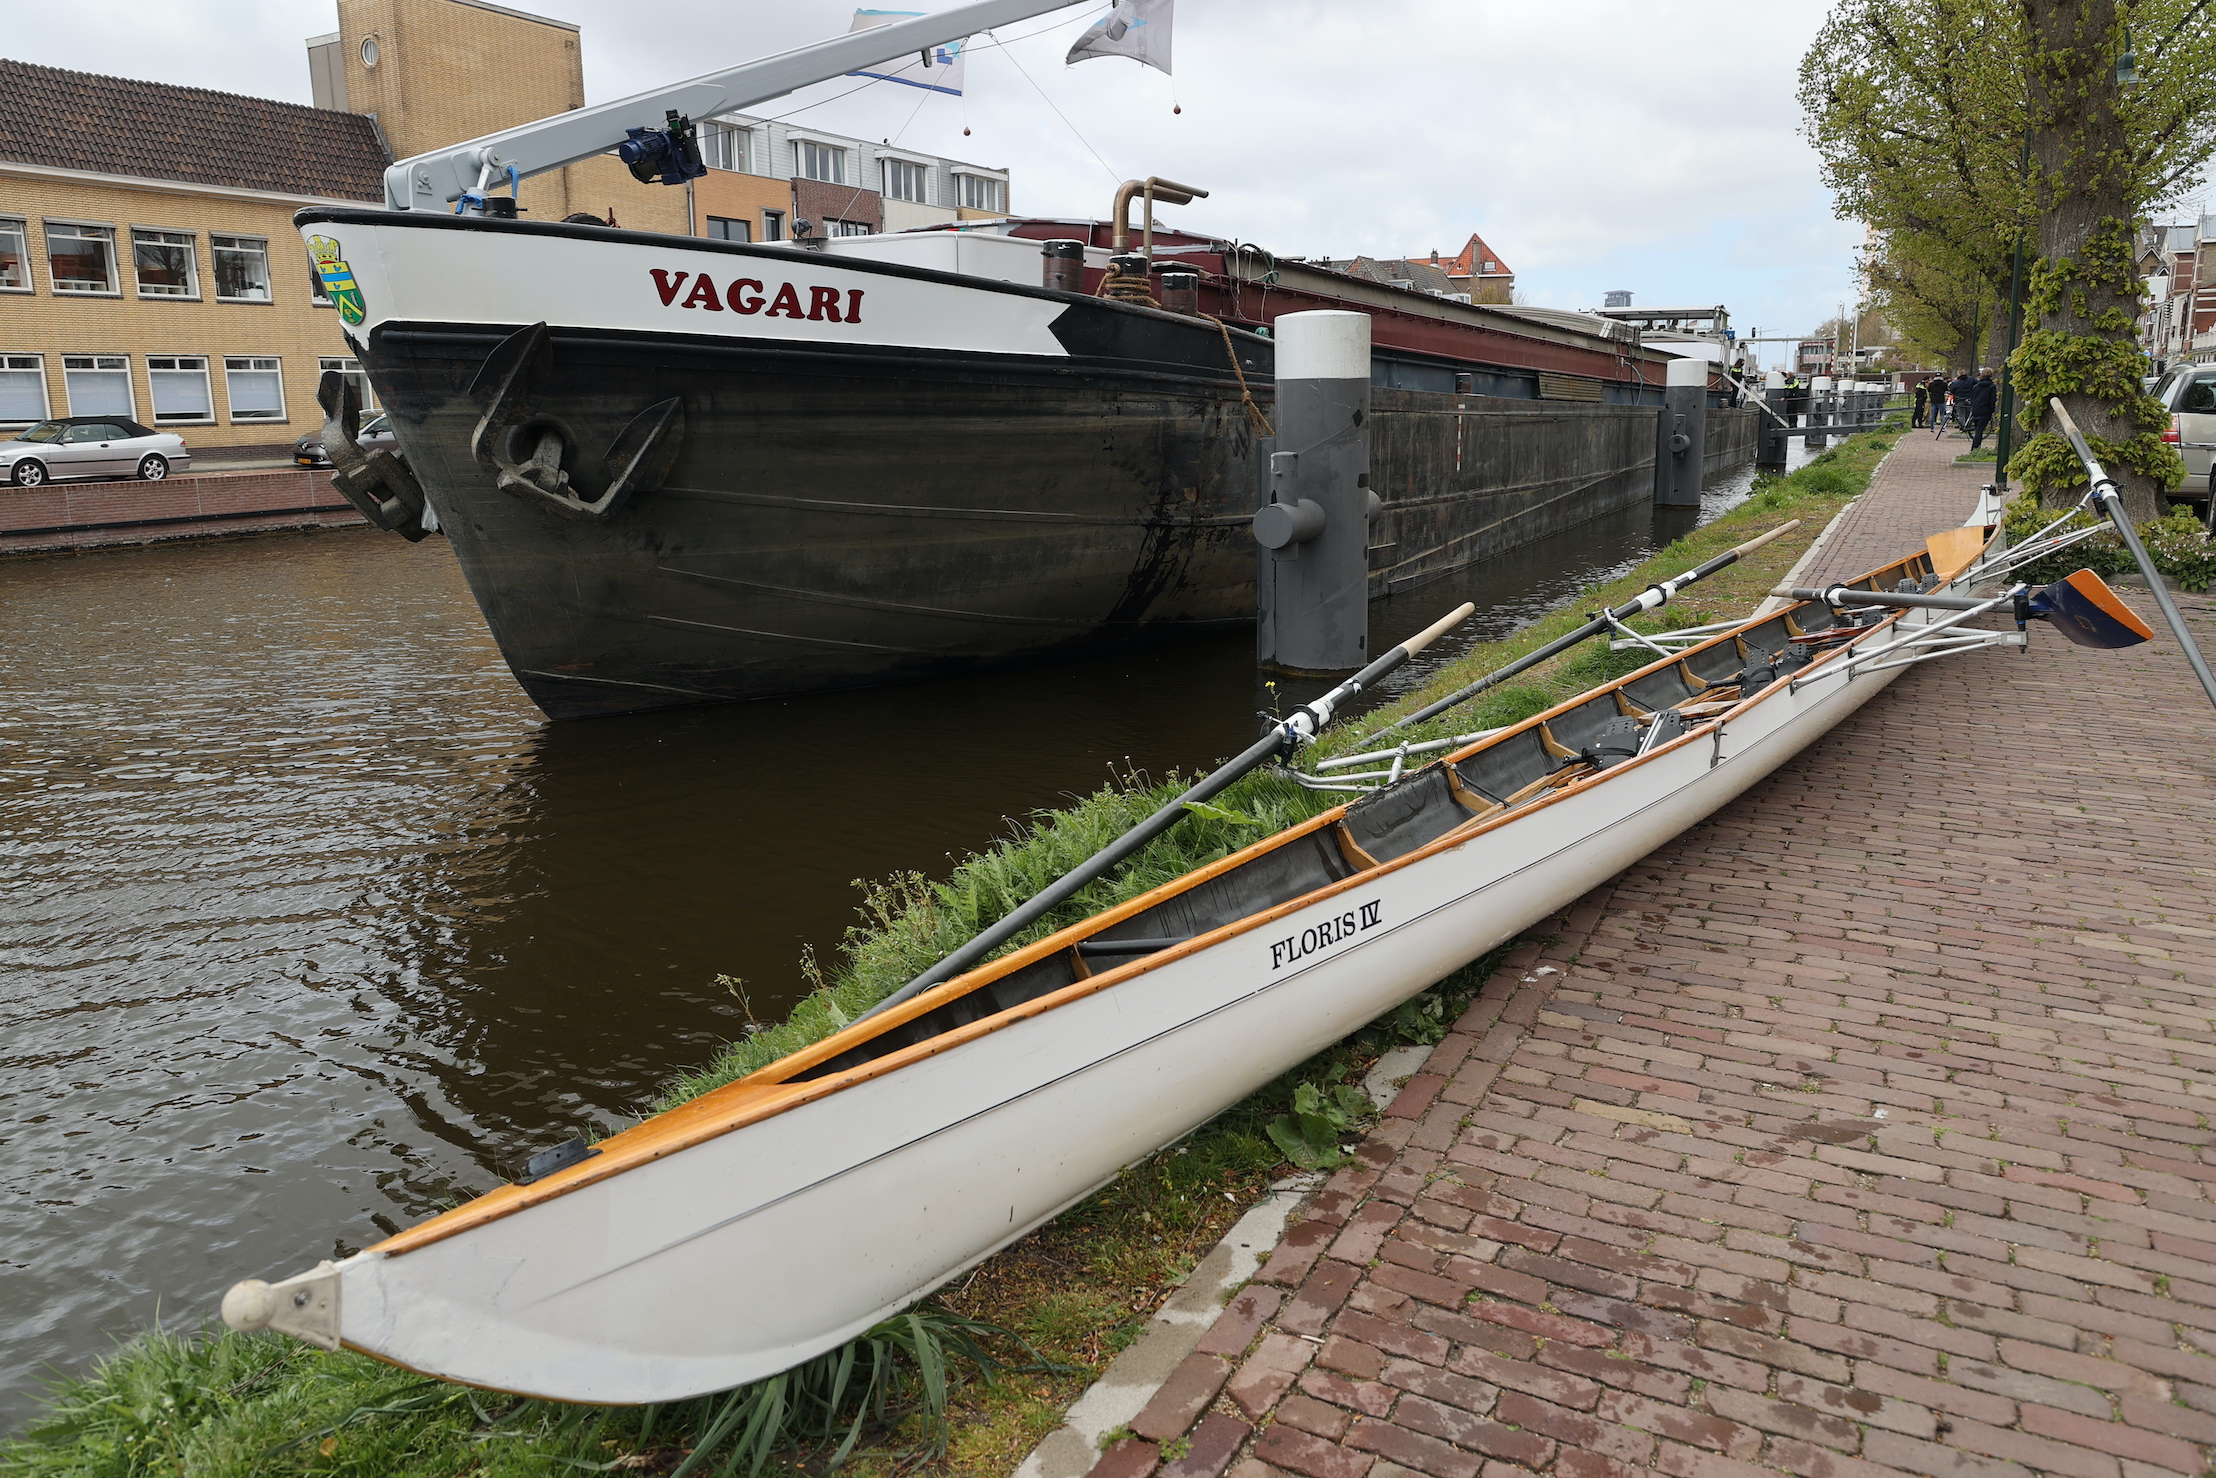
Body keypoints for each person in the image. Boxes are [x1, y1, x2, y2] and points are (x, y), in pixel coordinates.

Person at [1965, 367, 1999, 450]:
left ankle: (1976, 446)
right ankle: (1975, 447)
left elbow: (1972, 397)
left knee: (1978, 429)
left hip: (1976, 409)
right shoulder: (1992, 386)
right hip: (1985, 409)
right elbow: (1992, 399)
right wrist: (1992, 410)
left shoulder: (1976, 386)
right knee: (1980, 430)